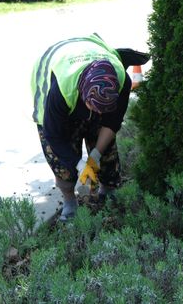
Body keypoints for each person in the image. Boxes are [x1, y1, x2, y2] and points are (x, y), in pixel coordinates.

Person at [31, 33, 132, 222]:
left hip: (90, 65)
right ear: (83, 95)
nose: (98, 115)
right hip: (59, 80)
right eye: (94, 108)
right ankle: (70, 202)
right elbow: (54, 136)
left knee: (107, 149)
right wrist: (78, 163)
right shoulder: (60, 91)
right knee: (62, 163)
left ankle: (108, 191)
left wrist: (94, 157)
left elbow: (111, 123)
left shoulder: (122, 81)